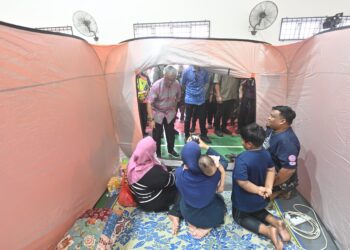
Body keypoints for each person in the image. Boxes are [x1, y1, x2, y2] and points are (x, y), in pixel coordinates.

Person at [232, 123, 290, 250]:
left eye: (242, 139)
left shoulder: (242, 158)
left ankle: (268, 231)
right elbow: (271, 170)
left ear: (248, 144)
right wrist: (268, 188)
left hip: (244, 200)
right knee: (257, 211)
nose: (241, 142)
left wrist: (258, 190)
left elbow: (242, 182)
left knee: (240, 217)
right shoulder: (265, 153)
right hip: (261, 199)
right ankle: (277, 223)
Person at [168, 139, 228, 238]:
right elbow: (224, 161)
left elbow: (185, 164)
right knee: (219, 204)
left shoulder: (179, 173)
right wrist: (206, 147)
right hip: (208, 216)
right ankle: (206, 228)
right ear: (199, 156)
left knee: (184, 196)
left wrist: (189, 149)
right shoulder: (214, 174)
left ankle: (190, 223)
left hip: (187, 213)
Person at [127, 136, 177, 212]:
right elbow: (171, 180)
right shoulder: (151, 171)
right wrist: (177, 172)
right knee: (178, 187)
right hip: (151, 202)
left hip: (140, 198)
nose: (154, 153)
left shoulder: (133, 160)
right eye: (153, 151)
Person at [263, 106, 300, 199]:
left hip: (276, 175)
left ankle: (282, 190)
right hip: (267, 166)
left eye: (272, 116)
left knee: (256, 200)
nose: (269, 118)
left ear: (282, 121)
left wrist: (270, 185)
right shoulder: (272, 129)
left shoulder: (287, 142)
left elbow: (288, 170)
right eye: (270, 115)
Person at [147, 65, 182, 158]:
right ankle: (157, 153)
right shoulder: (156, 86)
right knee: (157, 136)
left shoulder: (177, 84)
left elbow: (178, 98)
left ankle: (171, 150)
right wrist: (151, 120)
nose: (170, 82)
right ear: (164, 75)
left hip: (170, 113)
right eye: (168, 79)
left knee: (170, 133)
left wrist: (174, 109)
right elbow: (149, 103)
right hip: (158, 113)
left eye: (173, 79)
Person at [181, 65, 211, 143]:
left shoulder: (204, 70)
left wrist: (202, 90)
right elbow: (183, 83)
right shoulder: (187, 71)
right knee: (187, 118)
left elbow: (206, 82)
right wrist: (189, 91)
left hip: (200, 98)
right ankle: (187, 135)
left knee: (202, 118)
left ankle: (204, 135)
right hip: (189, 98)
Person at [136, 71, 151, 137]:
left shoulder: (133, 77)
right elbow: (149, 86)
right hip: (144, 100)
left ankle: (140, 131)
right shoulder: (145, 76)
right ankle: (143, 131)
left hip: (137, 101)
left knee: (139, 116)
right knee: (144, 116)